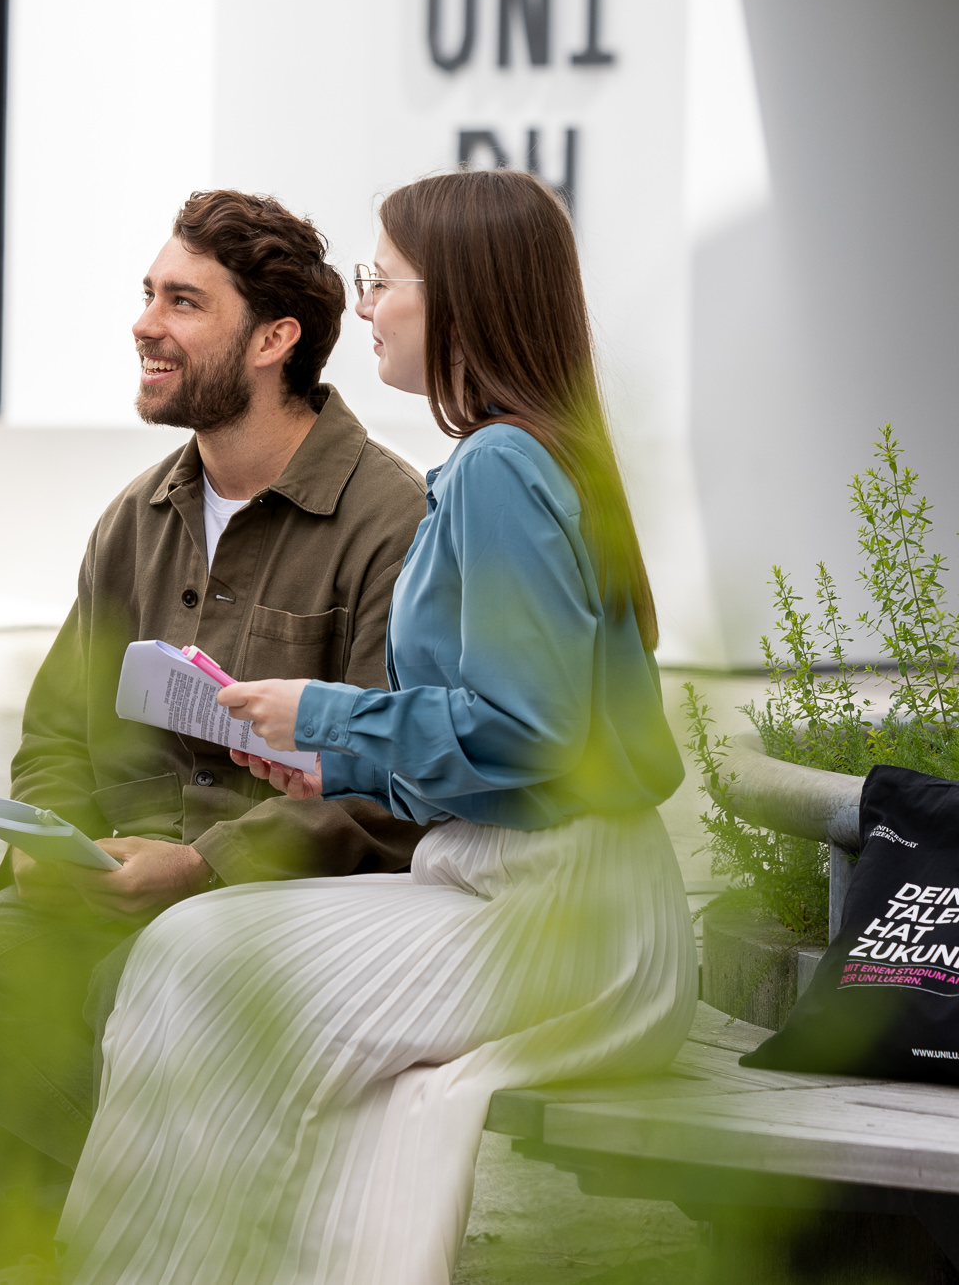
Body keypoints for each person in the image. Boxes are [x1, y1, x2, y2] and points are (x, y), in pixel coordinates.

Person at [55, 170, 696, 1285]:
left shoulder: (499, 467)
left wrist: (322, 712)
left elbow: (531, 732)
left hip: (559, 914)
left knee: (202, 971)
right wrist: (335, 761)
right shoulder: (528, 455)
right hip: (533, 886)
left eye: (384, 280)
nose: (367, 307)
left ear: (460, 297)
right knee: (193, 958)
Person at [0, 190, 432, 1172]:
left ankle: (143, 1208)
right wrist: (52, 846)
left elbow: (390, 780)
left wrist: (200, 865)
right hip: (124, 885)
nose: (145, 323)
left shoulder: (390, 521)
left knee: (128, 989)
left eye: (183, 301)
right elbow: (58, 729)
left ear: (273, 338)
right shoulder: (134, 519)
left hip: (285, 900)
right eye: (149, 294)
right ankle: (193, 1196)